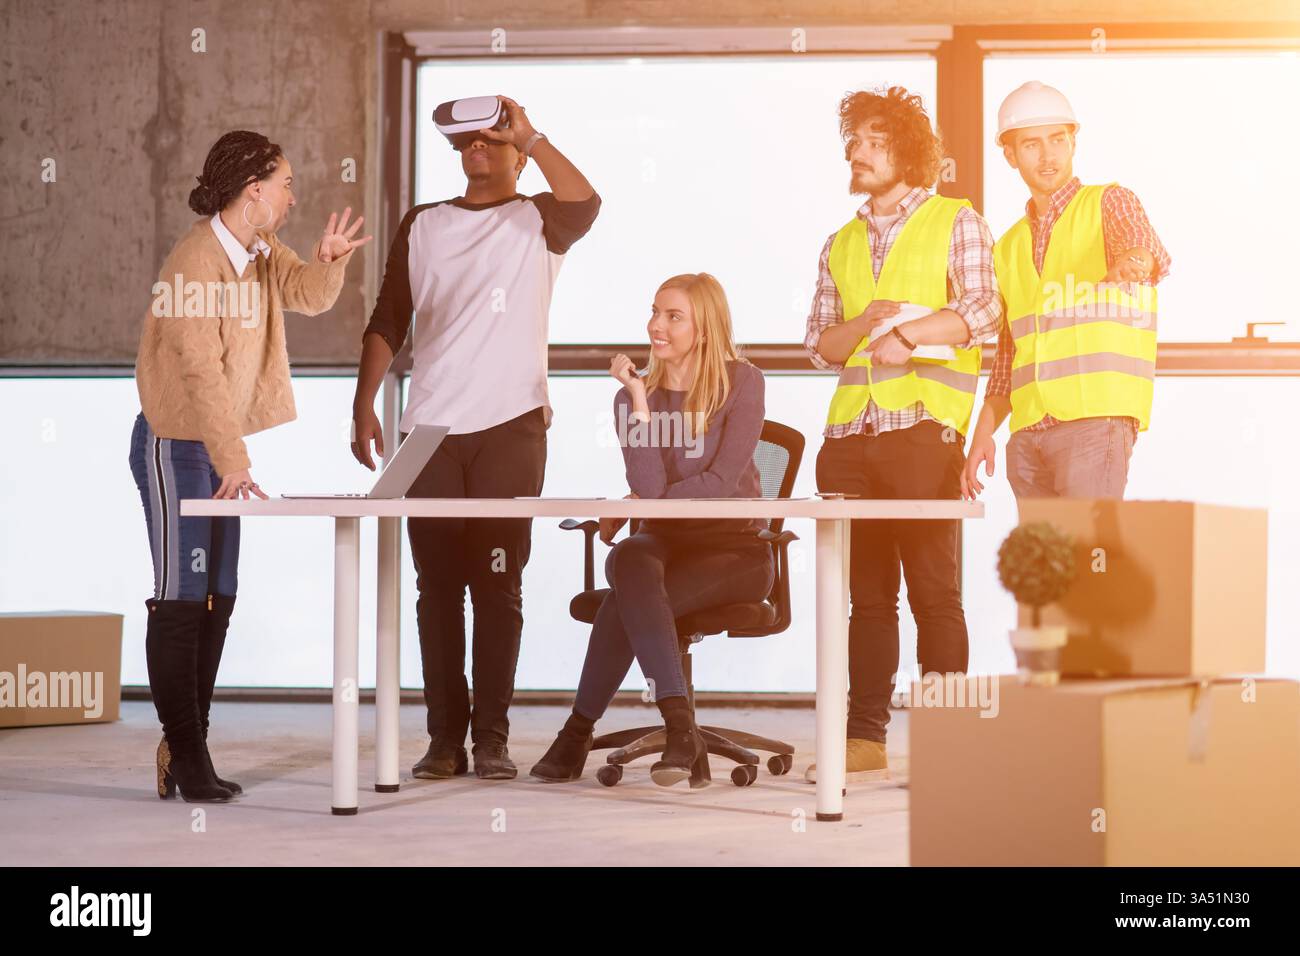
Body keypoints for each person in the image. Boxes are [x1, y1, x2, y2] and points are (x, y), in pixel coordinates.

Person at [351, 95, 600, 781]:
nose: (477, 151)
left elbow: (587, 204)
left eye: (492, 140)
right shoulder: (423, 224)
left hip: (509, 426)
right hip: (428, 429)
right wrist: (364, 404)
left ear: (516, 151)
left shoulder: (539, 220)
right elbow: (389, 317)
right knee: (436, 591)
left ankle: (491, 738)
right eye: (466, 143)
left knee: (497, 585)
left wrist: (534, 133)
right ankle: (442, 740)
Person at [130, 130, 370, 802]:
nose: (293, 196)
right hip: (175, 445)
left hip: (219, 452)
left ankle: (187, 746)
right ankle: (187, 751)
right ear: (252, 189)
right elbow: (199, 369)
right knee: (182, 594)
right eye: (286, 183)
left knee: (219, 592)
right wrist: (232, 459)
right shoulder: (193, 262)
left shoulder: (260, 250)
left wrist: (328, 262)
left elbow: (306, 293)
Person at [802, 87, 1002, 781]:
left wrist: (909, 334)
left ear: (909, 152)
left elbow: (983, 310)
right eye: (854, 141)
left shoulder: (957, 220)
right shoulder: (841, 242)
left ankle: (949, 743)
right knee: (867, 598)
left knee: (934, 592)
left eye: (873, 141)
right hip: (851, 440)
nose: (856, 151)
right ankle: (865, 739)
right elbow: (820, 346)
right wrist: (864, 327)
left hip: (923, 431)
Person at [529, 273, 774, 788]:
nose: (655, 325)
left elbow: (719, 483)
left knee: (626, 595)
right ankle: (681, 729)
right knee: (628, 560)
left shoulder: (743, 382)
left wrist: (650, 503)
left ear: (704, 327)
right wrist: (639, 397)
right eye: (655, 312)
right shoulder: (631, 400)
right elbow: (644, 483)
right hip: (666, 543)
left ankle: (576, 735)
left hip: (735, 549)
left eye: (672, 315)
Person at [961, 81, 1171, 502]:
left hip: (1095, 421)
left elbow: (1146, 250)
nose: (1048, 155)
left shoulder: (1110, 202)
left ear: (1074, 141)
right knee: (1041, 567)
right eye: (1032, 144)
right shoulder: (1008, 246)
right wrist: (981, 436)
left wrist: (1133, 264)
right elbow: (1008, 354)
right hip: (1028, 434)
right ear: (1010, 155)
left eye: (1058, 139)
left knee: (1089, 561)